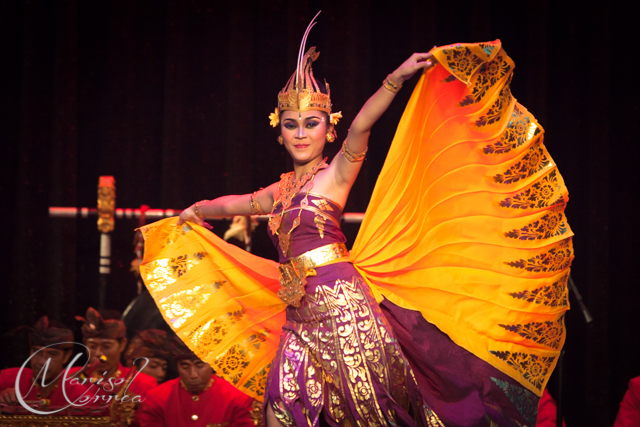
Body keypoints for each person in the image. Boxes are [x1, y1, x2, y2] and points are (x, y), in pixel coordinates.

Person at [140, 16, 573, 427]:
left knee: (371, 410)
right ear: (279, 132)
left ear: (328, 130)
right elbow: (238, 203)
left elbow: (362, 125)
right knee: (280, 404)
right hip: (297, 316)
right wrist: (198, 209)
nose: (301, 132)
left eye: (312, 123)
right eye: (291, 125)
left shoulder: (336, 175)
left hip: (342, 306)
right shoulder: (280, 191)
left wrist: (396, 78)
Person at [138, 336, 258, 427]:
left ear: (212, 364)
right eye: (185, 367)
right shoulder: (157, 398)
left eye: (200, 366)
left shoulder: (236, 397)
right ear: (177, 366)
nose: (193, 375)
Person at [68, 307, 156, 424]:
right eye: (93, 346)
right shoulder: (69, 376)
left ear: (122, 345)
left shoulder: (143, 383)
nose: (99, 354)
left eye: (107, 346)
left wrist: (139, 405)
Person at [0, 316, 89, 409]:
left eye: (52, 354)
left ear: (66, 356)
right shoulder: (8, 379)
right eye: (37, 352)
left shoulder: (80, 396)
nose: (42, 362)